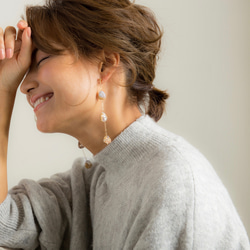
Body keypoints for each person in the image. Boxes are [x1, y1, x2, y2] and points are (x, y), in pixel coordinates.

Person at [0, 0, 249, 249]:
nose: (23, 85)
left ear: (106, 65)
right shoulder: (91, 182)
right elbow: (4, 224)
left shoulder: (172, 181)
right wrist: (2, 88)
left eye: (41, 60)